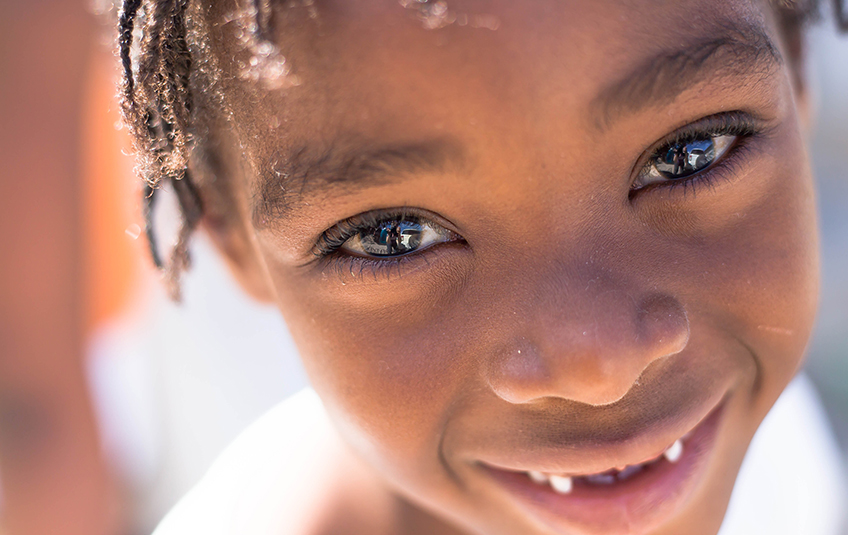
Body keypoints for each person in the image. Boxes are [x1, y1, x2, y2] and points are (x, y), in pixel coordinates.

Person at [117, 0, 847, 534]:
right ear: (232, 243)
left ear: (797, 61)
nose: (598, 367)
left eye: (688, 154)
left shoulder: (764, 453)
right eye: (394, 236)